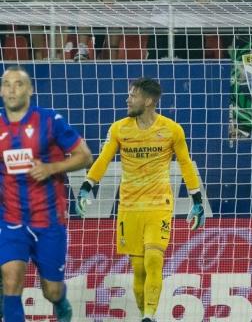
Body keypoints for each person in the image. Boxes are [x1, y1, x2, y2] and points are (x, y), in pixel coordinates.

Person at [77, 77, 205, 322]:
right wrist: (86, 185)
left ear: (148, 101)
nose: (127, 99)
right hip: (129, 207)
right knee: (138, 270)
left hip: (159, 206)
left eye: (133, 95)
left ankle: (149, 316)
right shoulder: (119, 128)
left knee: (154, 259)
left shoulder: (172, 129)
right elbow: (103, 159)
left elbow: (186, 164)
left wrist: (196, 199)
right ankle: (145, 314)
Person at [0, 66, 93, 321]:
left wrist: (51, 167)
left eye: (18, 84)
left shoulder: (50, 120)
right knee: (11, 282)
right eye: (6, 84)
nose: (11, 89)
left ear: (30, 90)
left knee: (51, 290)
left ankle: (60, 302)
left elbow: (85, 156)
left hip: (49, 221)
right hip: (11, 220)